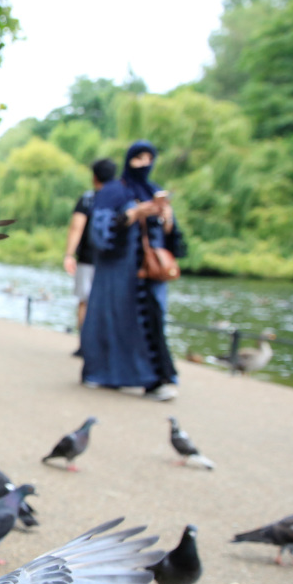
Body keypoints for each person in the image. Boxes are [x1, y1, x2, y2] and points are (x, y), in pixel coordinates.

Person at [80, 140, 184, 400]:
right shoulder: (113, 192)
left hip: (150, 275)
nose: (144, 164)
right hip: (118, 274)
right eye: (139, 159)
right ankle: (106, 373)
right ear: (128, 160)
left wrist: (166, 218)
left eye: (149, 159)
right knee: (113, 325)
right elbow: (99, 234)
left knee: (151, 322)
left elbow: (170, 239)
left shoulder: (154, 190)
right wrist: (134, 213)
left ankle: (155, 379)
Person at [63, 158, 117, 352]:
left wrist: (69, 254)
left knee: (84, 302)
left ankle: (85, 344)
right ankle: (104, 346)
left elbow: (76, 227)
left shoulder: (87, 199)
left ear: (94, 177)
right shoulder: (120, 199)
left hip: (87, 258)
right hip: (112, 261)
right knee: (107, 304)